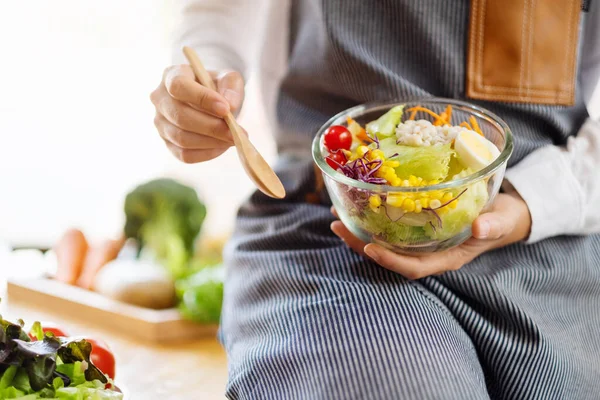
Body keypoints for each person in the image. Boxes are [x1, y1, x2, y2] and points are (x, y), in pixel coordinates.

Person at [150, 1, 600, 399]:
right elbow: (219, 14)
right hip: (329, 228)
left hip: (546, 237)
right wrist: (205, 75)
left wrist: (532, 201)